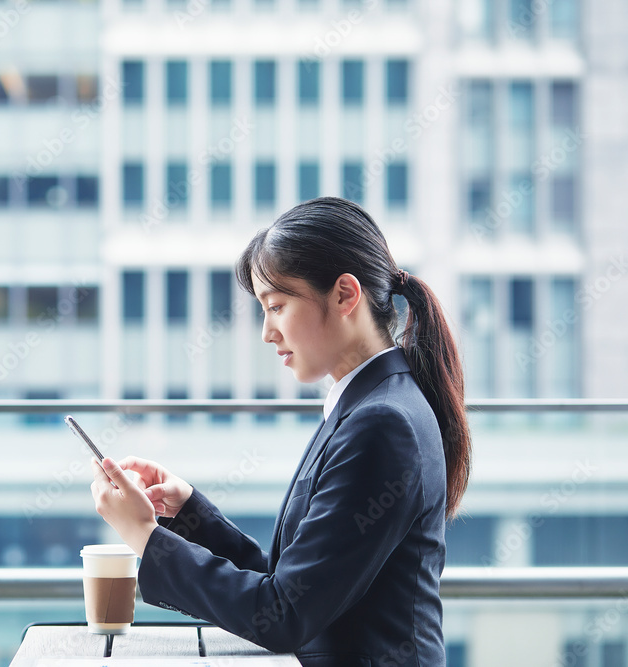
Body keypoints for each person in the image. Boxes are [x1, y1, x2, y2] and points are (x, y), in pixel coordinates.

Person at [90, 197, 471, 667]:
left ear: (345, 295)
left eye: (277, 306)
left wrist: (144, 535)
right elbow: (293, 586)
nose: (267, 332)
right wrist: (187, 512)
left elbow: (283, 615)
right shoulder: (368, 406)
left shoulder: (382, 423)